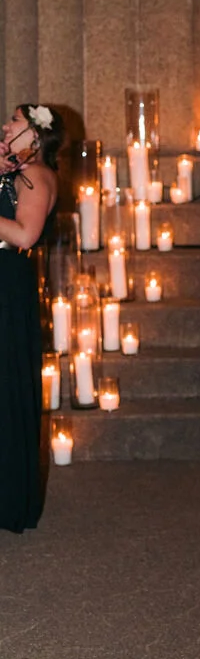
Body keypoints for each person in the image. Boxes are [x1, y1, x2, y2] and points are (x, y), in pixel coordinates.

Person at [0, 104, 63, 533]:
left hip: (7, 281)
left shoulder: (38, 175)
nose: (6, 126)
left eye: (15, 122)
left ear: (37, 136)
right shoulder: (11, 171)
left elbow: (25, 234)